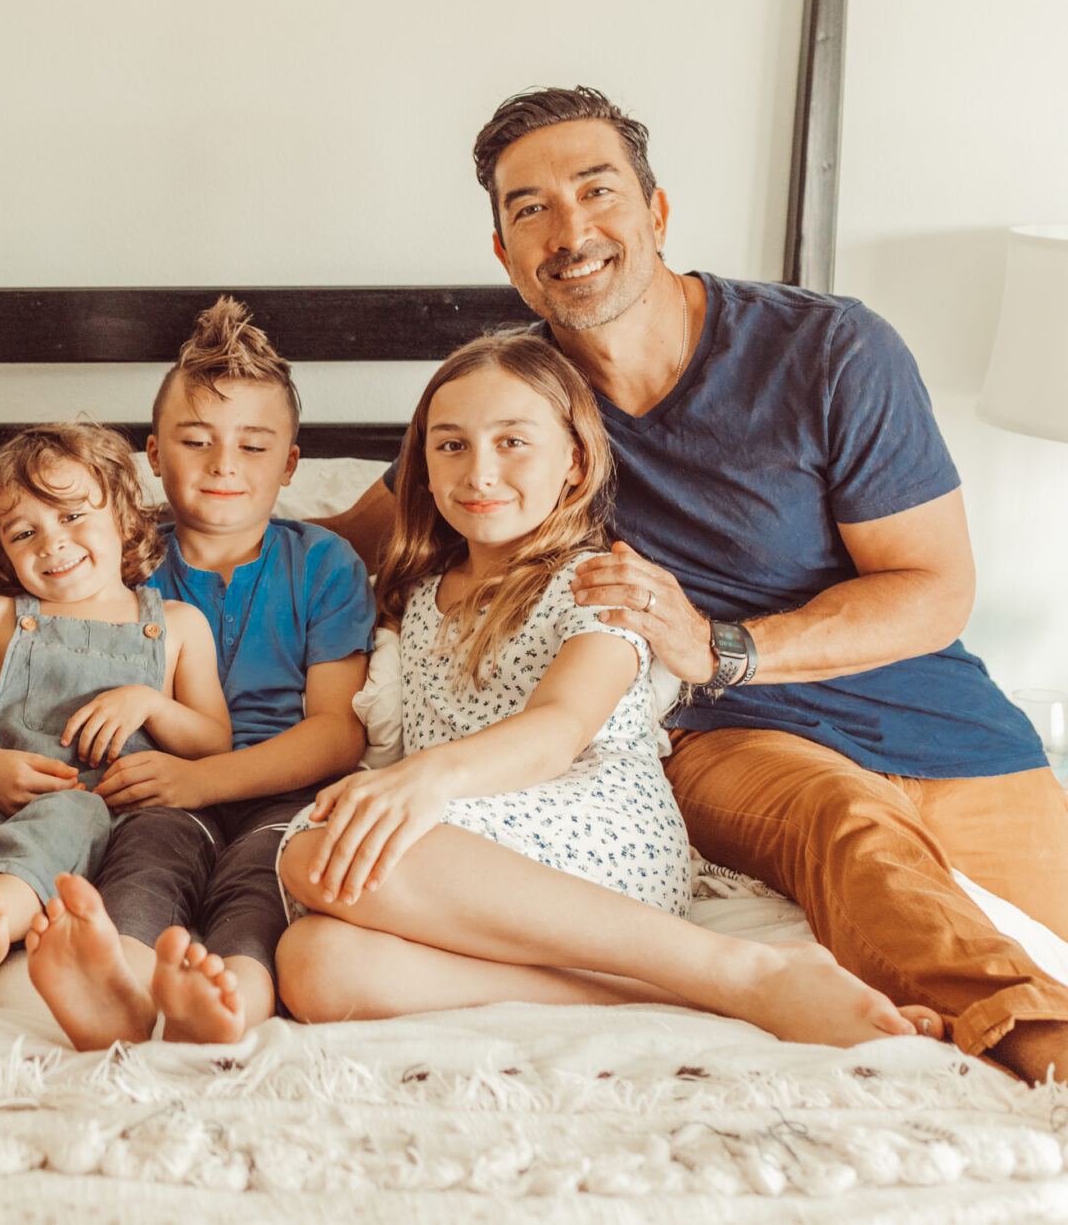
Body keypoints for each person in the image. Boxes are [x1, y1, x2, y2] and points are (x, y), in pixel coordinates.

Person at [320, 86, 1068, 1081]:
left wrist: (721, 643)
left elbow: (931, 587)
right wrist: (125, 535)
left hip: (950, 729)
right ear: (501, 252)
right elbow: (340, 545)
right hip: (730, 736)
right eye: (528, 208)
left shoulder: (828, 350)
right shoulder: (519, 409)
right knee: (840, 825)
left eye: (595, 191)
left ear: (655, 213)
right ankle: (1037, 1049)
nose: (568, 230)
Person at [277, 330, 935, 1044]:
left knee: (318, 847)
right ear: (424, 469)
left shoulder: (599, 584)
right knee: (316, 966)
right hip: (477, 857)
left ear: (575, 461)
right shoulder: (417, 596)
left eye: (513, 442)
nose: (479, 472)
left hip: (598, 842)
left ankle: (738, 970)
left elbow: (559, 729)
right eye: (450, 445)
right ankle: (658, 996)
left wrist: (427, 778)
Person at [13, 299, 373, 1048]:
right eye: (197, 440)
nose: (223, 466)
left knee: (260, 887)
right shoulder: (118, 559)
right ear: (151, 453)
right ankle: (123, 983)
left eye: (253, 445)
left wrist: (206, 781)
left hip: (287, 794)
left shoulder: (323, 565)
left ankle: (231, 1000)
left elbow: (337, 733)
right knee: (145, 865)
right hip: (155, 791)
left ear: (291, 463)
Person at [0, 422, 229, 1005]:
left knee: (65, 815)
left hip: (100, 806)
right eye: (24, 532)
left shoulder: (177, 625)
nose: (51, 543)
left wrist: (150, 703)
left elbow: (214, 743)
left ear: (123, 517)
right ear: (4, 550)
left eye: (72, 516)